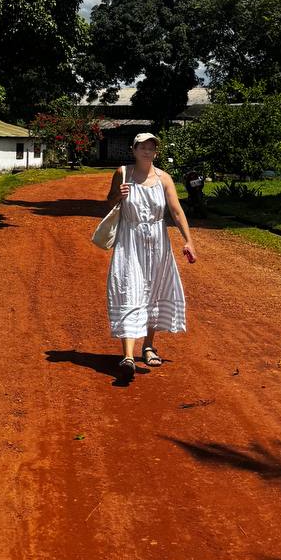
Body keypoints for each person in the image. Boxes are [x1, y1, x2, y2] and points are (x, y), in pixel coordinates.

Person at [104, 132, 196, 381]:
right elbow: (109, 202)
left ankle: (148, 346)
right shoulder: (122, 173)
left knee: (154, 292)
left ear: (156, 152)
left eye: (151, 147)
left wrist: (188, 240)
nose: (147, 151)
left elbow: (176, 211)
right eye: (142, 147)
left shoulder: (164, 178)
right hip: (129, 242)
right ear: (133, 149)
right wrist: (118, 196)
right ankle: (128, 356)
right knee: (128, 289)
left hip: (157, 244)